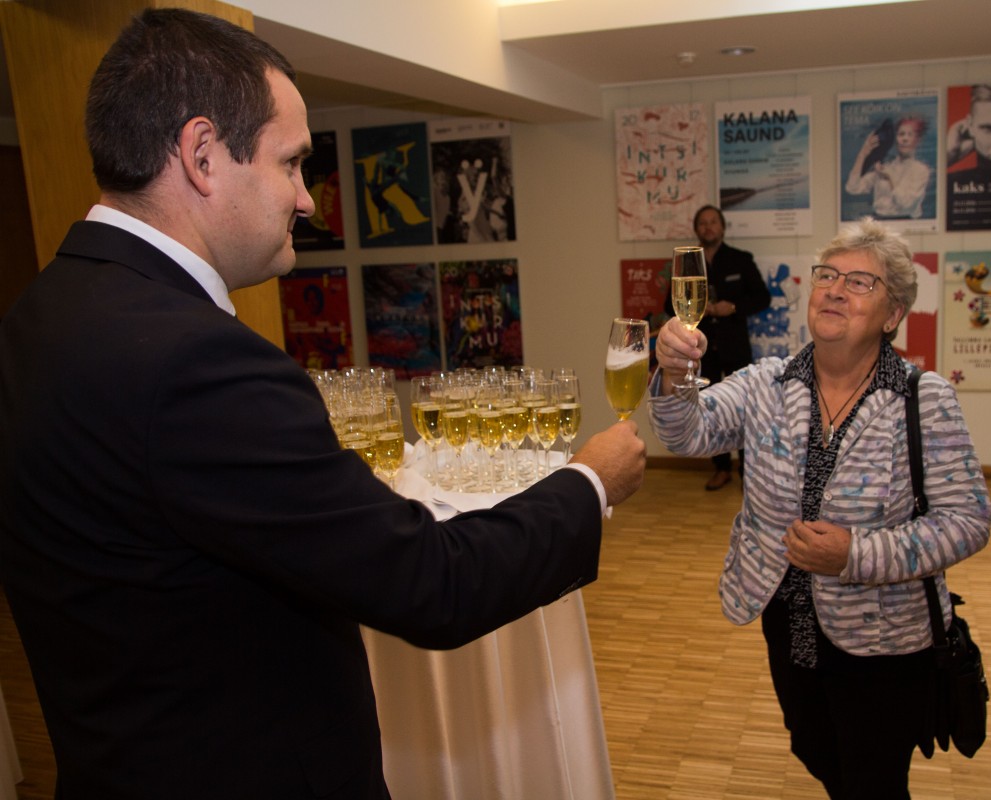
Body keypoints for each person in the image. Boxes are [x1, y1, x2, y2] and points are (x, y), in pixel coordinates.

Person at [0, 10, 645, 799]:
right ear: (202, 155)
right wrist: (589, 481)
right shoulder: (199, 361)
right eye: (292, 163)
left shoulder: (40, 313)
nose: (307, 200)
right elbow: (433, 583)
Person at [650, 217, 991, 798]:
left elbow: (968, 521)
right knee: (814, 747)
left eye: (859, 282)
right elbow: (686, 433)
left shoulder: (922, 399)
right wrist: (675, 373)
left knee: (874, 778)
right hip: (790, 623)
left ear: (892, 314)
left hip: (884, 640)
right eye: (827, 275)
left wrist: (856, 554)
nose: (834, 289)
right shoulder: (765, 383)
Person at [665, 204, 770, 491]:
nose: (708, 227)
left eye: (713, 221)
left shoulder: (741, 259)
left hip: (736, 346)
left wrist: (732, 307)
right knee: (708, 406)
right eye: (703, 223)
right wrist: (697, 311)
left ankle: (748, 472)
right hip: (701, 349)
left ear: (722, 227)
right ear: (696, 229)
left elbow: (762, 298)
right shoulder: (687, 264)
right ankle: (721, 468)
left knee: (745, 408)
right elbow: (669, 305)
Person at [845, 115, 932, 219]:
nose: (905, 139)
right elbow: (852, 188)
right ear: (896, 139)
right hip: (879, 222)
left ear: (918, 140)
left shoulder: (921, 170)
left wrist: (890, 178)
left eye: (910, 135)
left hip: (907, 222)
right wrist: (863, 154)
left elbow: (907, 204)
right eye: (901, 134)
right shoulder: (885, 167)